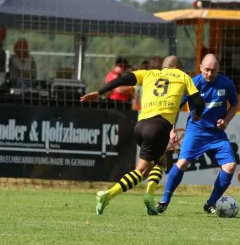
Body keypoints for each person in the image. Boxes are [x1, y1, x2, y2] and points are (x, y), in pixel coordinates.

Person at [80, 56, 205, 215]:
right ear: (177, 67)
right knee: (142, 170)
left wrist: (99, 92)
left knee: (159, 161)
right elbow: (199, 102)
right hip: (158, 127)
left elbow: (122, 80)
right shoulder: (183, 76)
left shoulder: (148, 74)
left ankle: (149, 198)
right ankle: (109, 195)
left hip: (140, 127)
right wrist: (198, 115)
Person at [157, 54, 238, 214]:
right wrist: (172, 130)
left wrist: (226, 121)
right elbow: (175, 107)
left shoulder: (226, 84)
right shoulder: (192, 83)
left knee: (230, 166)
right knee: (182, 163)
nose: (209, 73)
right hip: (196, 131)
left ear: (218, 69)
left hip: (216, 133)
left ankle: (211, 203)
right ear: (200, 67)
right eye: (206, 70)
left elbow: (235, 105)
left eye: (213, 70)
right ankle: (164, 200)